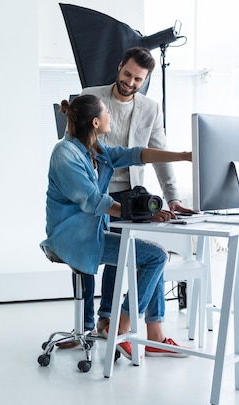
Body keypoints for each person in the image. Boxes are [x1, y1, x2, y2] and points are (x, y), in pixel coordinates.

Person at [40, 94, 190, 358]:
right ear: (96, 122)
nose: (111, 116)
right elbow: (92, 200)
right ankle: (121, 326)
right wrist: (143, 214)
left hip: (92, 233)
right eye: (107, 113)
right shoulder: (64, 153)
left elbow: (135, 154)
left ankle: (150, 334)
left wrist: (183, 155)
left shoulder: (95, 149)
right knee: (155, 256)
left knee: (154, 254)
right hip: (72, 238)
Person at [74, 47, 197, 341]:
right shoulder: (91, 96)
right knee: (110, 252)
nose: (130, 81)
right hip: (96, 190)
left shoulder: (151, 108)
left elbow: (159, 155)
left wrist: (174, 199)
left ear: (146, 80)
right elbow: (75, 147)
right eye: (127, 74)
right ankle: (93, 324)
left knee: (142, 250)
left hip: (132, 192)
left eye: (138, 79)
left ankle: (134, 324)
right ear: (119, 67)